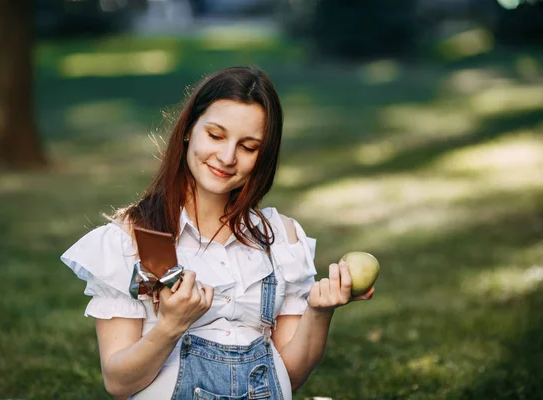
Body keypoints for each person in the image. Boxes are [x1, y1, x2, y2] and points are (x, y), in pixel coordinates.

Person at [61, 66, 374, 400]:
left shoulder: (279, 239)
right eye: (215, 135)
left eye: (248, 147)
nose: (227, 157)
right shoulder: (134, 238)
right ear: (188, 130)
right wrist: (170, 326)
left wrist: (319, 311)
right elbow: (119, 383)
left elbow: (292, 374)